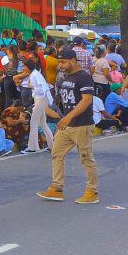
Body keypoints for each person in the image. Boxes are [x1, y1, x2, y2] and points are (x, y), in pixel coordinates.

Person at [37, 49, 99, 205]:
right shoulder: (66, 77)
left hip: (82, 125)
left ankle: (92, 192)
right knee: (56, 153)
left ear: (73, 60)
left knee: (86, 159)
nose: (61, 65)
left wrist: (68, 117)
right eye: (59, 62)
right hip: (67, 125)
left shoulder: (84, 77)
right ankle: (57, 188)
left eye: (63, 62)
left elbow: (86, 100)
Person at [19, 56, 54, 153]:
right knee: (42, 123)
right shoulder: (35, 74)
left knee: (33, 122)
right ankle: (51, 145)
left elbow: (41, 88)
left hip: (40, 99)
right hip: (41, 99)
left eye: (23, 66)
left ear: (28, 67)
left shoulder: (34, 75)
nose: (22, 68)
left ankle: (33, 147)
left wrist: (34, 90)